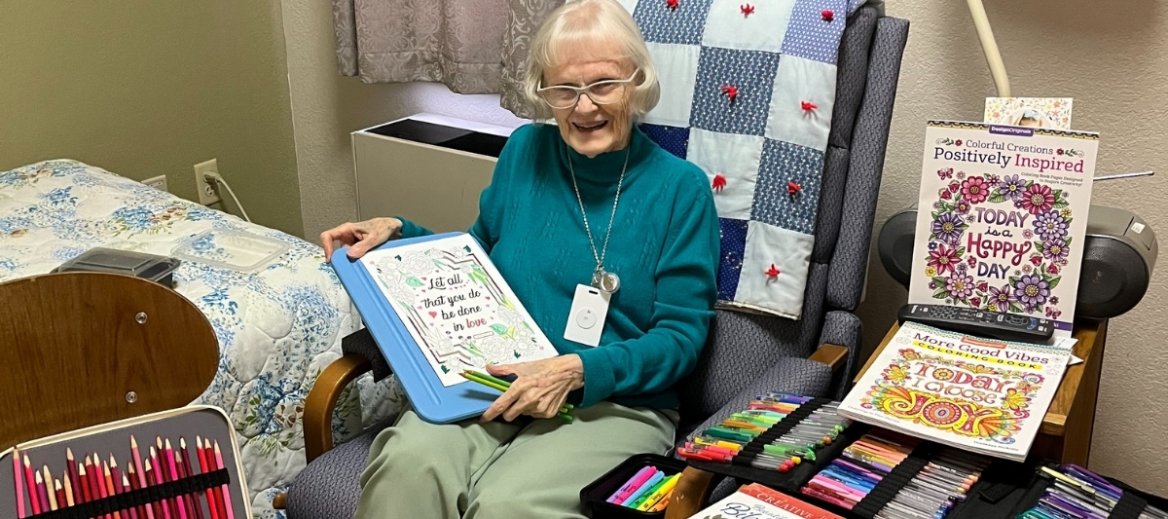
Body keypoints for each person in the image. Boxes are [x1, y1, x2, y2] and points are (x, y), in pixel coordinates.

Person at [320, 0, 719, 516]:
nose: (583, 108)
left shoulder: (681, 189)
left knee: (509, 504)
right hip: (494, 375)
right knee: (407, 466)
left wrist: (576, 370)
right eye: (564, 90)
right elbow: (478, 260)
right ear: (543, 93)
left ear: (636, 84)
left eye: (603, 85)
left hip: (614, 402)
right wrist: (398, 234)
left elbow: (681, 339)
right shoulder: (525, 151)